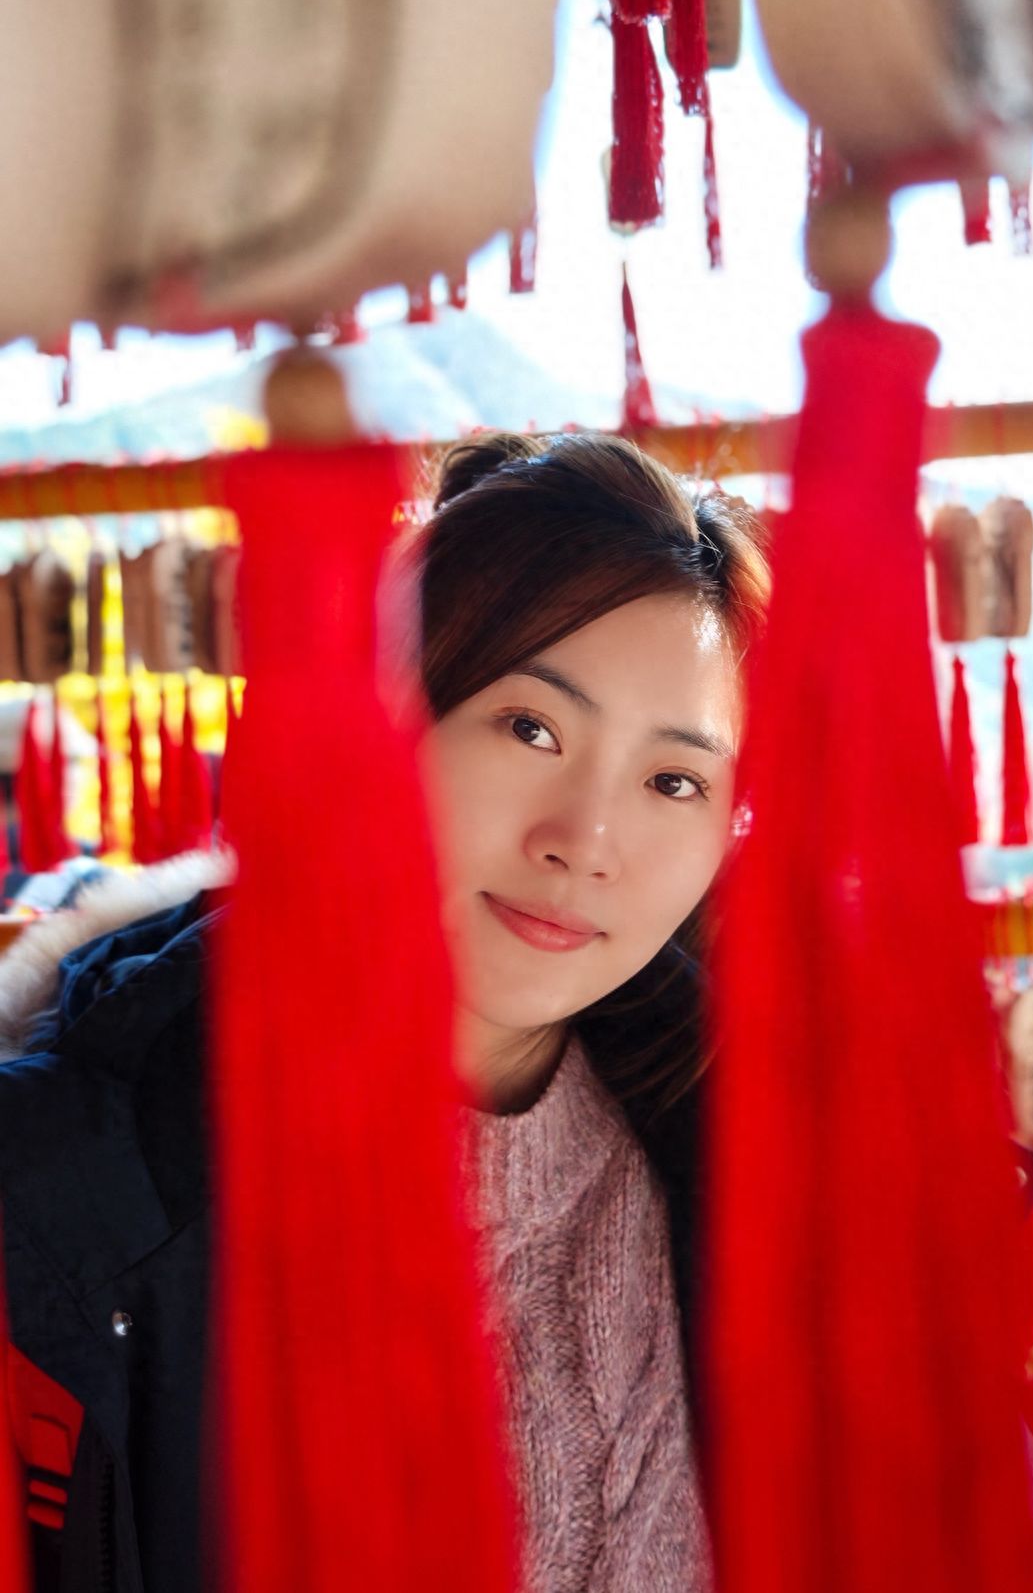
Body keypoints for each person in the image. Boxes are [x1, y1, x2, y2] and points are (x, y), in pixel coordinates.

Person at [0, 430, 771, 1593]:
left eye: (674, 780)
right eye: (530, 728)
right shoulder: (71, 1193)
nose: (585, 841)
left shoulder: (778, 1178)